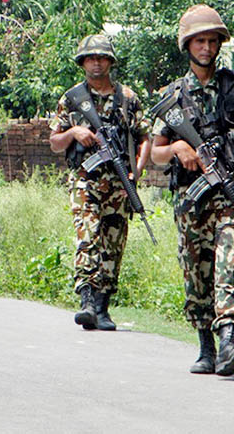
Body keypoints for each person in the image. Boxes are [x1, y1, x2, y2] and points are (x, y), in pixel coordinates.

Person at [150, 5, 234, 375]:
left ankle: (228, 340)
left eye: (213, 41)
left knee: (231, 263)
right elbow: (155, 153)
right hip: (191, 200)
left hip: (231, 197)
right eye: (199, 41)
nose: (207, 47)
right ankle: (206, 348)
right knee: (196, 271)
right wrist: (178, 148)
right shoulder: (173, 95)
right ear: (187, 45)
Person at [49, 34, 151, 330]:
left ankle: (103, 307)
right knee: (88, 236)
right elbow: (54, 142)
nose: (97, 63)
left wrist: (137, 170)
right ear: (83, 62)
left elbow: (145, 138)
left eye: (102, 58)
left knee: (113, 243)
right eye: (91, 58)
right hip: (84, 181)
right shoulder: (71, 98)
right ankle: (87, 302)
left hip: (119, 183)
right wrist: (73, 133)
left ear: (110, 62)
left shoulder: (127, 99)